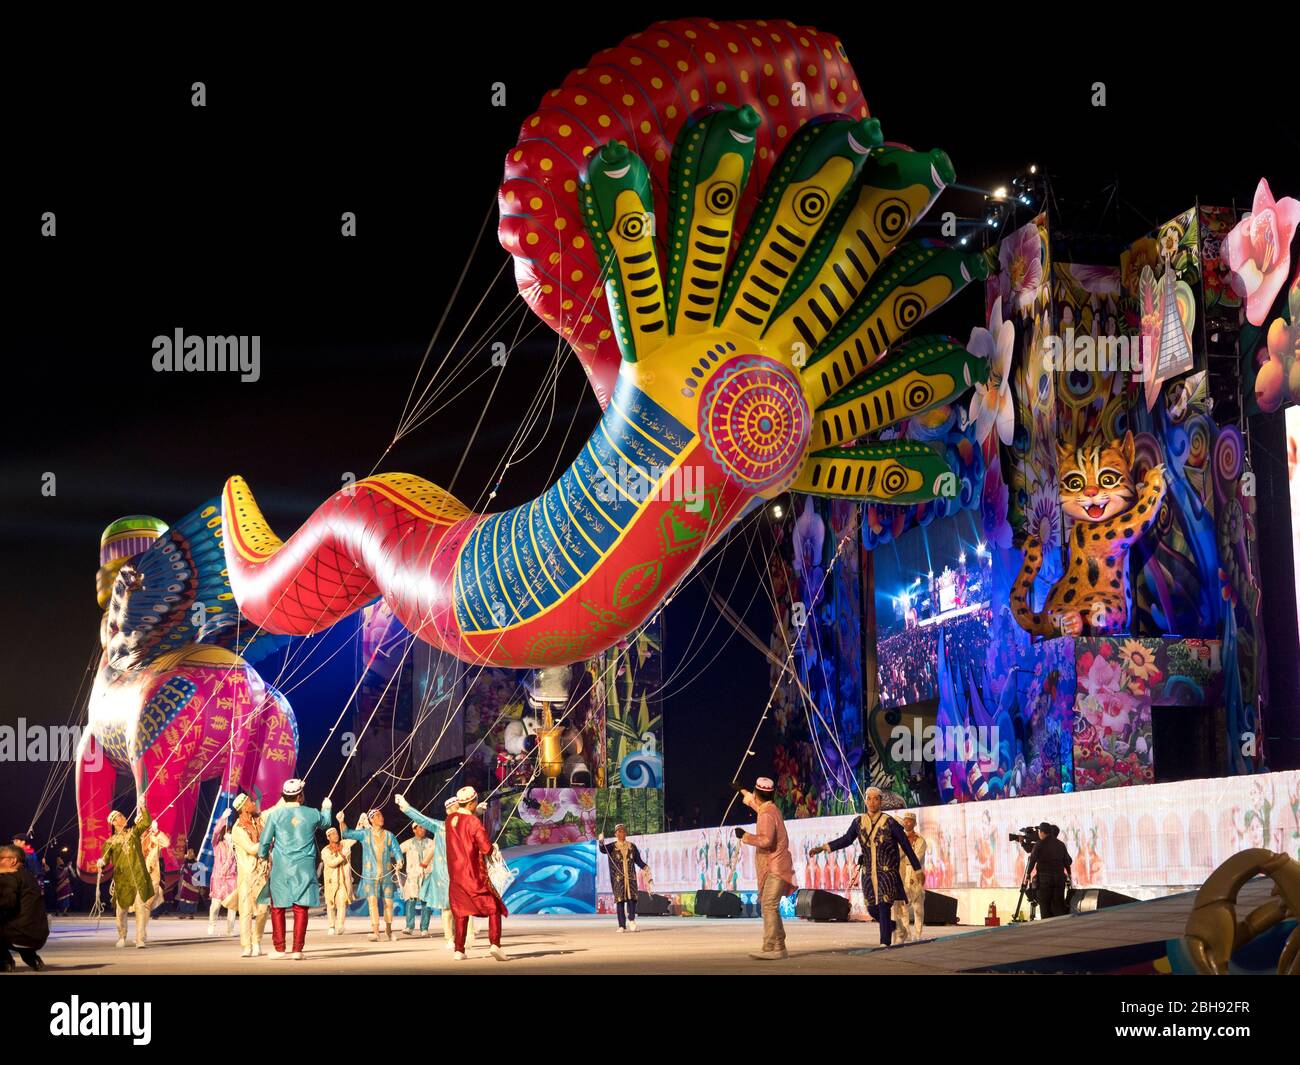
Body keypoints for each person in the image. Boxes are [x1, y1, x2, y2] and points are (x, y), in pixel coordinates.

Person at [810, 786, 921, 948]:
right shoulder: (859, 822)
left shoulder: (889, 822)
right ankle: (891, 926)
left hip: (887, 872)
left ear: (880, 801)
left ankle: (884, 942)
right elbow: (846, 839)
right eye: (869, 798)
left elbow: (905, 844)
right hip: (868, 873)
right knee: (871, 909)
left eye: (876, 798)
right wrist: (823, 848)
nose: (872, 802)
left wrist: (917, 869)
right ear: (865, 801)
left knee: (884, 905)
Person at [257, 779, 333, 959]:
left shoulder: (275, 816)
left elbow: (265, 841)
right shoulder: (312, 813)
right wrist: (327, 807)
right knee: (301, 908)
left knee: (278, 908)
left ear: (284, 796)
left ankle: (279, 948)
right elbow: (327, 823)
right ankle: (297, 950)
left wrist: (261, 856)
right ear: (300, 796)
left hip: (282, 867)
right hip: (304, 867)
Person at [439, 786, 507, 961]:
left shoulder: (450, 820)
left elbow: (461, 819)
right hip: (473, 875)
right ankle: (495, 945)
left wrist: (475, 811)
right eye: (475, 802)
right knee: (494, 907)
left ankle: (459, 950)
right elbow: (485, 848)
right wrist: (494, 849)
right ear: (471, 803)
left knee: (461, 912)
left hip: (456, 877)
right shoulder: (474, 823)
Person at [736, 776, 796, 960]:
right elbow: (757, 805)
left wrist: (745, 836)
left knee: (769, 905)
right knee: (771, 906)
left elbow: (766, 840)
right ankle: (779, 947)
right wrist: (742, 791)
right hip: (777, 865)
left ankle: (771, 947)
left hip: (775, 867)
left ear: (757, 793)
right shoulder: (769, 808)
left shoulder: (767, 814)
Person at [339, 807, 403, 942]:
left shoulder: (389, 835)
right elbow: (346, 833)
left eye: (382, 815)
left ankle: (389, 930)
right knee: (372, 902)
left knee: (389, 902)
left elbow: (396, 850)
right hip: (370, 874)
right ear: (372, 819)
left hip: (386, 874)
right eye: (378, 816)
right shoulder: (365, 834)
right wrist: (341, 821)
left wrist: (399, 860)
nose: (382, 818)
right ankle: (376, 932)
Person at [96, 806, 156, 949]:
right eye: (120, 816)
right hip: (122, 881)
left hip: (138, 877)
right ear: (114, 822)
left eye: (123, 815)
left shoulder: (133, 833)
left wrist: (142, 807)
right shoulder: (110, 842)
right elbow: (105, 859)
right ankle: (122, 936)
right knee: (121, 911)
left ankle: (140, 939)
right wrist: (101, 862)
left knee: (140, 908)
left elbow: (146, 822)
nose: (124, 817)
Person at [227, 792, 271, 957]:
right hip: (246, 876)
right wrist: (267, 841)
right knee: (245, 912)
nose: (254, 803)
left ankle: (257, 941)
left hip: (262, 874)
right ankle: (246, 945)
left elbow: (275, 810)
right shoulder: (238, 830)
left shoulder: (259, 820)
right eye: (251, 801)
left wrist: (291, 792)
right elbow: (252, 849)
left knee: (262, 910)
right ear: (244, 807)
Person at [0, 843, 49, 971]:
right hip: (39, 936)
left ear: (13, 861)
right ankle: (31, 957)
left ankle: (5, 962)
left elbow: (7, 903)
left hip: (20, 934)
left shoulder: (8, 877)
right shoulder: (29, 877)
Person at [597, 824, 651, 932]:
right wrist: (601, 841)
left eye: (623, 831)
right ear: (616, 834)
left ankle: (632, 921)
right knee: (620, 901)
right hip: (618, 879)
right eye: (619, 831)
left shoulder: (632, 846)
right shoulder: (612, 846)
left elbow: (638, 861)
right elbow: (603, 850)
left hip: (630, 877)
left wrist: (645, 867)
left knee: (632, 900)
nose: (622, 833)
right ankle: (621, 925)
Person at [892, 812, 927, 943]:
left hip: (914, 875)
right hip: (902, 875)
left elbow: (915, 858)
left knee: (918, 907)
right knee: (902, 906)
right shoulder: (899, 840)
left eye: (910, 821)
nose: (907, 823)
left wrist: (900, 855)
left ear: (914, 823)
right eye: (905, 821)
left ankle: (918, 934)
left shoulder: (920, 840)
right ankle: (905, 931)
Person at [1026, 822, 1072, 918]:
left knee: (1045, 906)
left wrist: (1028, 874)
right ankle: (1061, 928)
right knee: (1059, 905)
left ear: (1042, 832)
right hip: (1059, 879)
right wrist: (1069, 873)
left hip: (1045, 880)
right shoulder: (1061, 844)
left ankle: (1048, 929)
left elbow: (1033, 860)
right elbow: (1066, 861)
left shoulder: (1039, 844)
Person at [399, 823, 436, 937]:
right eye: (420, 827)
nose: (423, 829)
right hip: (413, 875)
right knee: (411, 900)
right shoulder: (409, 843)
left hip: (428, 874)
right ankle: (409, 926)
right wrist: (399, 861)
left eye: (424, 827)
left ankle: (424, 928)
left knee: (426, 901)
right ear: (414, 830)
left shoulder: (431, 843)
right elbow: (396, 851)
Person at [320, 827, 356, 936]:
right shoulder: (325, 850)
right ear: (328, 837)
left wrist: (361, 822)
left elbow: (355, 838)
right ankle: (331, 925)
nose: (336, 835)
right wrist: (343, 855)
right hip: (331, 881)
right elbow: (331, 863)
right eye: (333, 834)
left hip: (343, 881)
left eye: (336, 833)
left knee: (341, 903)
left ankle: (340, 925)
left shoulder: (344, 844)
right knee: (331, 904)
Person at [208, 812, 239, 936]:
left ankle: (229, 930)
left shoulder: (236, 847)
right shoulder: (217, 845)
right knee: (215, 905)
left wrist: (234, 847)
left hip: (232, 879)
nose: (229, 835)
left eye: (230, 833)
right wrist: (223, 818)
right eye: (227, 833)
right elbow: (215, 832)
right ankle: (212, 923)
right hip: (219, 879)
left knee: (232, 907)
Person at [141, 822, 170, 918]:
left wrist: (156, 831)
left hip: (153, 868)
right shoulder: (137, 837)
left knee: (157, 890)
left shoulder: (154, 837)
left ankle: (154, 911)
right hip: (140, 869)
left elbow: (166, 843)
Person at [176, 848, 203, 918]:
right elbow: (181, 872)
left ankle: (191, 914)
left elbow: (199, 874)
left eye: (191, 853)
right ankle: (183, 913)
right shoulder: (185, 863)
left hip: (194, 885)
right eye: (189, 853)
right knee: (183, 898)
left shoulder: (197, 863)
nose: (190, 854)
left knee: (192, 899)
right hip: (186, 884)